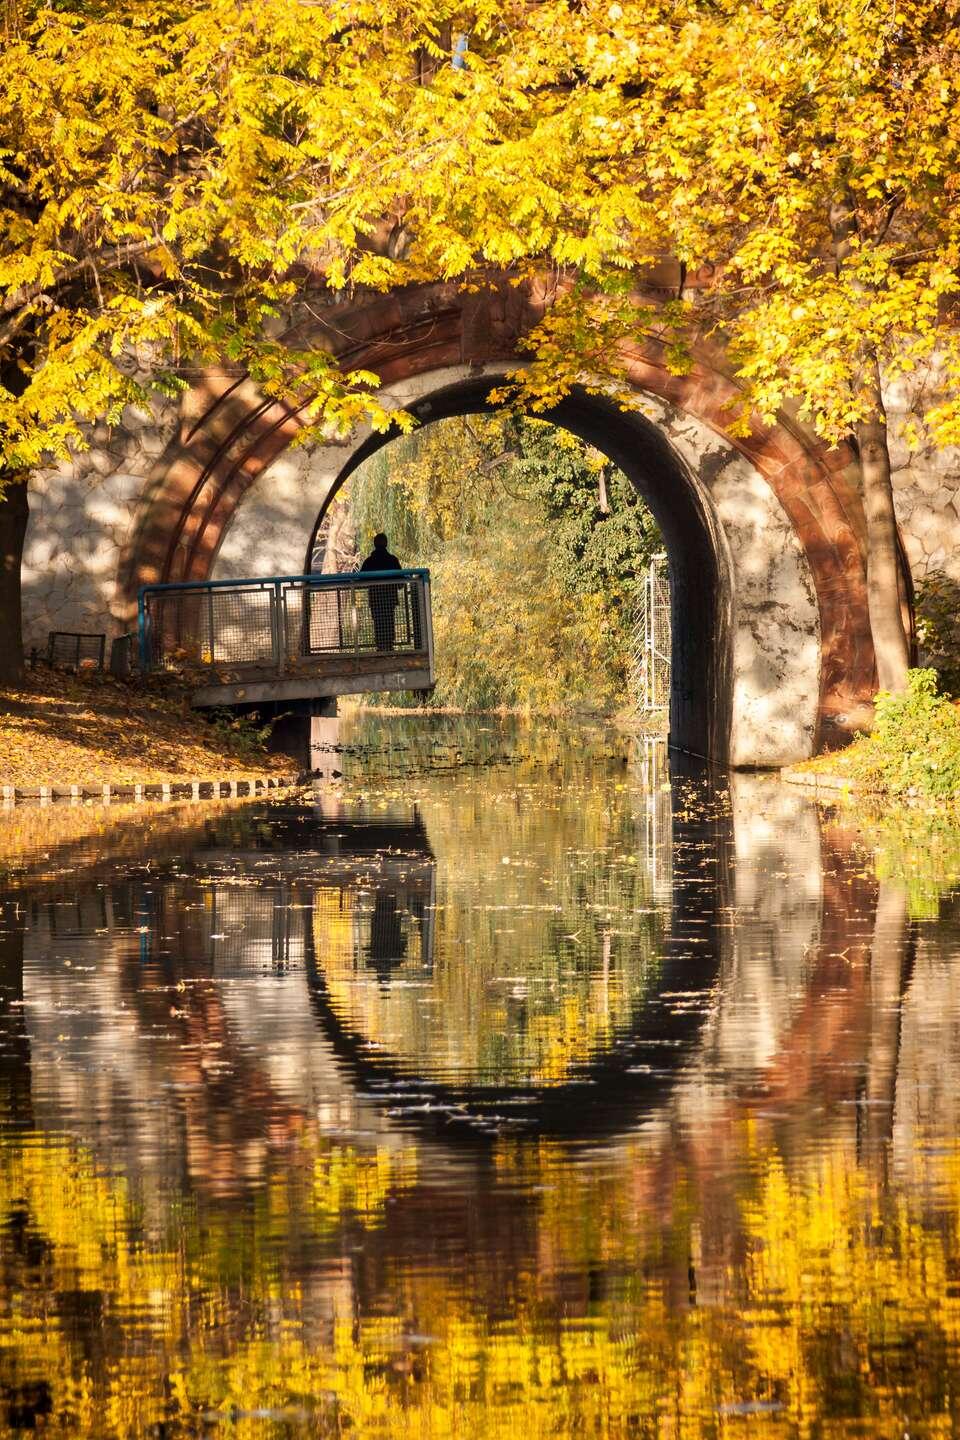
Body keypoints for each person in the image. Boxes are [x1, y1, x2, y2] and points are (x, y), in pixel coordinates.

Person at [360, 532, 402, 651]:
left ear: (374, 544)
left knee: (378, 621)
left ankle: (380, 645)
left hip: (375, 599)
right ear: (386, 544)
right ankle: (389, 644)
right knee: (389, 620)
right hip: (390, 600)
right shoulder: (392, 560)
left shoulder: (369, 561)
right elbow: (400, 582)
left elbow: (361, 579)